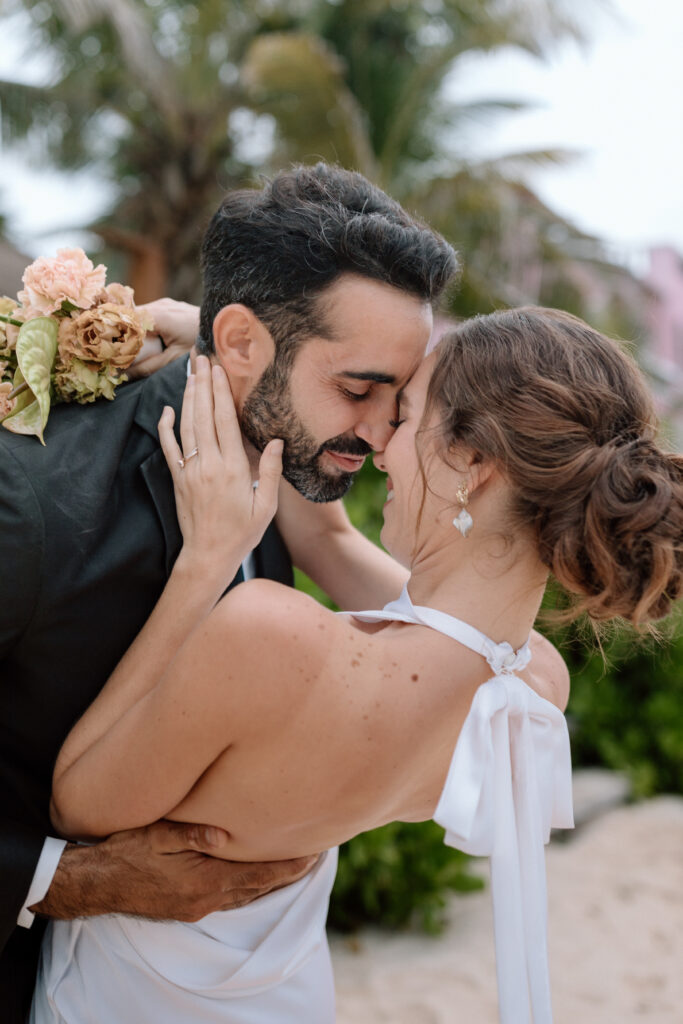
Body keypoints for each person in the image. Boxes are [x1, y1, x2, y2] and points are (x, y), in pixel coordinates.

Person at [32, 308, 683, 1023]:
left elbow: (76, 803)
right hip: (283, 996)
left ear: (471, 461)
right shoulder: (530, 685)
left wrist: (205, 562)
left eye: (402, 419)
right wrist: (235, 349)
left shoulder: (273, 636)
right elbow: (324, 535)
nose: (377, 445)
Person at [0, 162, 462, 1022]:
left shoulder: (288, 464)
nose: (379, 432)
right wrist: (65, 879)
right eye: (359, 389)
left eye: (396, 399)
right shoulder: (31, 501)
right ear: (245, 343)